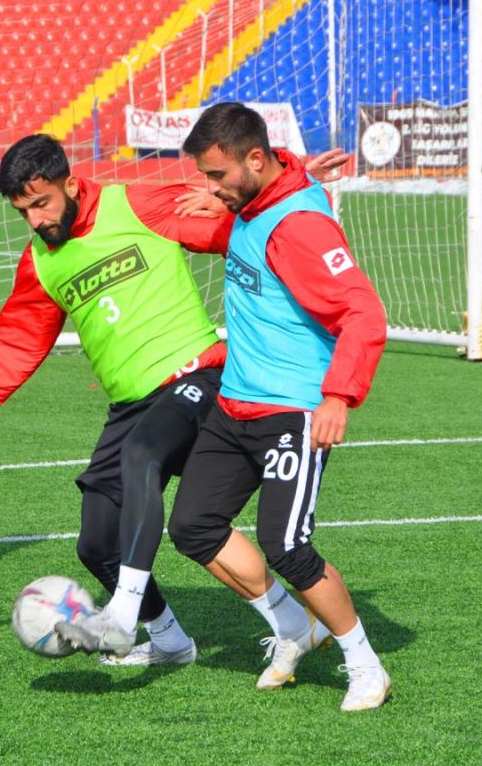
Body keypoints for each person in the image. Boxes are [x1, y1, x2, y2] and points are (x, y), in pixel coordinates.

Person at [0, 134, 344, 667]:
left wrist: (285, 181)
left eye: (42, 203)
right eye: (23, 212)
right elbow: (16, 343)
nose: (36, 221)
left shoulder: (138, 205)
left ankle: (120, 615)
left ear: (71, 185)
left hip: (198, 378)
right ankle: (172, 640)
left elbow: (235, 223)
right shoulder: (41, 262)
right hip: (130, 407)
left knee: (144, 453)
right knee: (97, 544)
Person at [163, 102, 390, 711]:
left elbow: (363, 312)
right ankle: (293, 625)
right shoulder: (252, 202)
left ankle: (364, 665)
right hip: (235, 404)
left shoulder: (301, 227)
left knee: (287, 546)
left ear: (256, 160)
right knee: (192, 526)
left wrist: (338, 395)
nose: (210, 188)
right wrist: (221, 197)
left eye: (217, 175)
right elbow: (250, 200)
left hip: (293, 410)